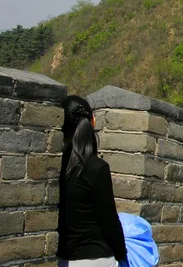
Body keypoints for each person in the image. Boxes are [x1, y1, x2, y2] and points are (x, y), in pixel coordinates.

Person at [57, 96, 127, 266]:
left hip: (64, 260)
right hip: (97, 258)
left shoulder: (57, 167)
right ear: (92, 122)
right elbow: (109, 221)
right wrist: (122, 253)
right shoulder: (97, 167)